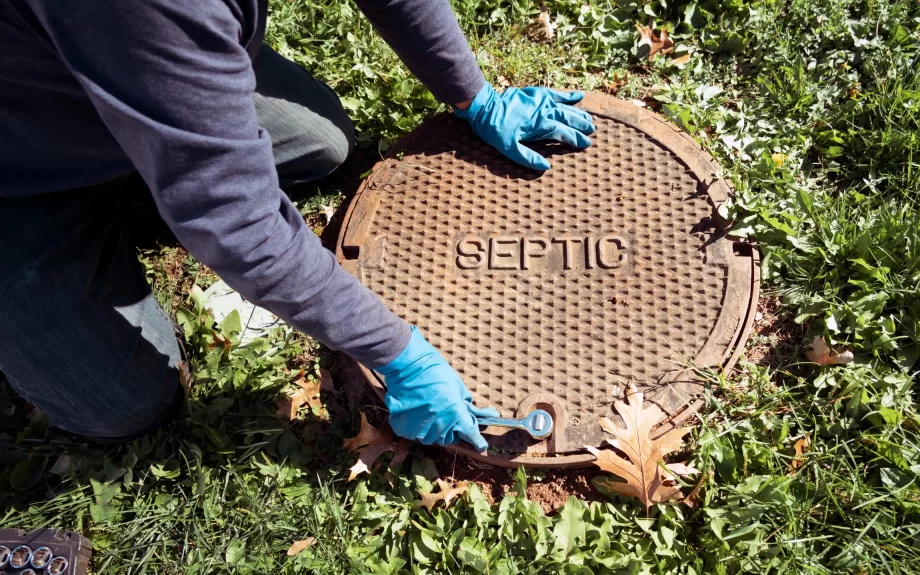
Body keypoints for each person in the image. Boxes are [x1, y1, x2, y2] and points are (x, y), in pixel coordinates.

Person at [0, 0, 595, 451]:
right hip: (24, 168)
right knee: (121, 404)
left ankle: (171, 140)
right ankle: (164, 159)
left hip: (128, 56)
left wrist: (474, 95)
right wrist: (398, 354)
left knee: (322, 144)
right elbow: (241, 224)